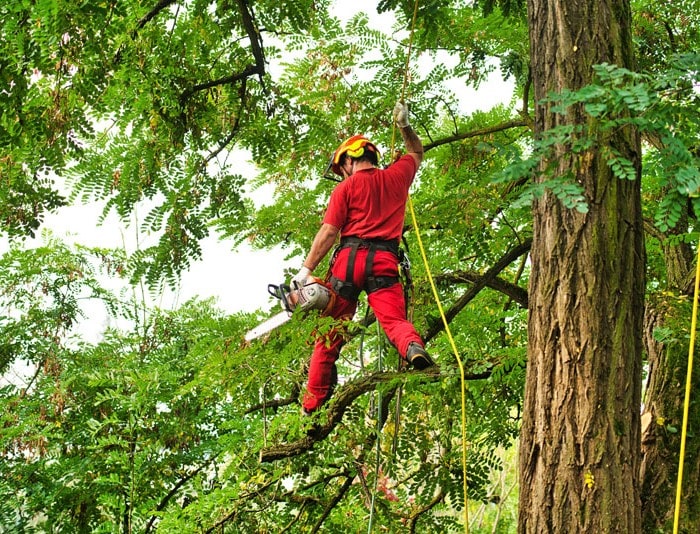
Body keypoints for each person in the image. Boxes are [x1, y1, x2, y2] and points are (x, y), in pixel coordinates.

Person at [292, 100, 435, 415]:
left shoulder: (344, 189)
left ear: (348, 161)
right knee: (395, 321)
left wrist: (305, 272)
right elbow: (416, 153)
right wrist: (404, 126)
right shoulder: (397, 176)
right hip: (383, 262)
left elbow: (329, 233)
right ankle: (413, 348)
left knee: (330, 334)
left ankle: (312, 405)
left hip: (349, 263)